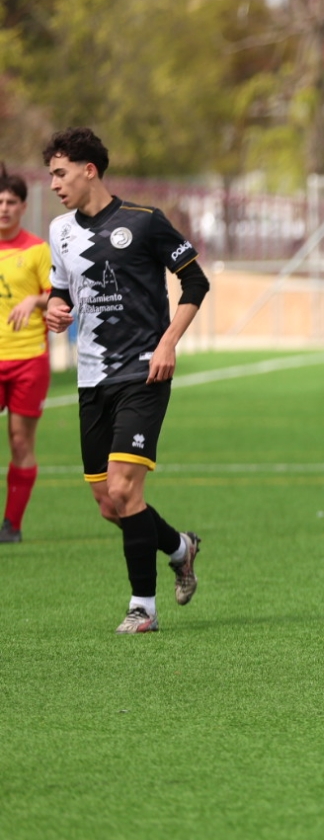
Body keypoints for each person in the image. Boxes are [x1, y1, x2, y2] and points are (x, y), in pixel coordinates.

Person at [41, 128, 205, 633]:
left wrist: (168, 342)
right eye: (51, 175)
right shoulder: (59, 230)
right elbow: (60, 290)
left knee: (123, 487)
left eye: (60, 173)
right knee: (110, 504)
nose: (54, 184)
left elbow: (195, 281)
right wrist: (54, 309)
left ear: (89, 170)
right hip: (91, 379)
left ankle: (143, 608)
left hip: (142, 371)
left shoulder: (144, 221)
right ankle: (179, 547)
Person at [0, 164, 54, 542]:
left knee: (20, 441)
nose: (3, 208)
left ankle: (11, 525)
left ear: (23, 206)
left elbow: (58, 296)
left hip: (29, 360)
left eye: (11, 202)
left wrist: (34, 300)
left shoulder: (37, 250)